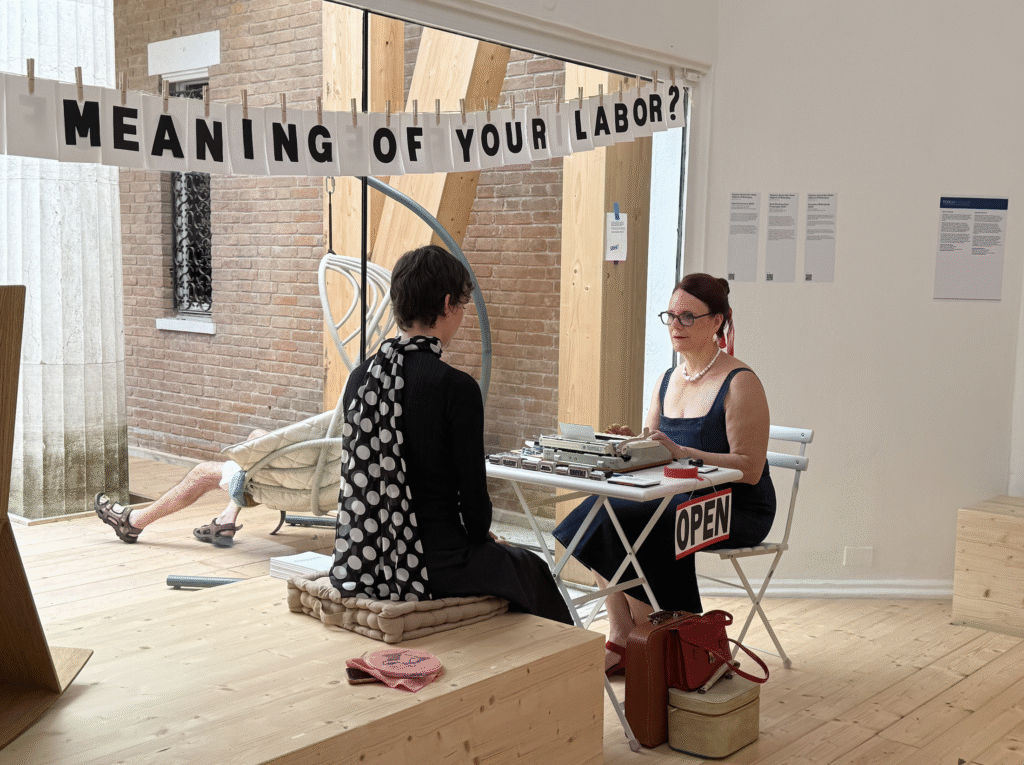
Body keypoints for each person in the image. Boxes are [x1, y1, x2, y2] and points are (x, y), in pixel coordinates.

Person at [331, 244, 573, 625]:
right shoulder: (455, 387)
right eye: (461, 305)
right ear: (447, 304)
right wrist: (483, 537)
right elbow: (474, 506)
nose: (461, 315)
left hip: (367, 559)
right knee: (533, 569)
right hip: (435, 564)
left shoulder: (361, 379)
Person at [553, 273, 776, 673]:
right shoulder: (667, 379)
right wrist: (631, 443)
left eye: (688, 317)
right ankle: (624, 636)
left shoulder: (740, 383)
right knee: (602, 511)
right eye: (671, 316)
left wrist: (682, 451)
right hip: (680, 497)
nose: (676, 325)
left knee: (640, 524)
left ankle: (659, 638)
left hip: (735, 508)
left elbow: (751, 469)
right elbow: (658, 453)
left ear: (717, 322)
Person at [94, 429, 267, 546]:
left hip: (276, 481)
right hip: (286, 474)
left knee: (201, 474)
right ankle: (226, 520)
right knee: (257, 436)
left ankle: (132, 523)